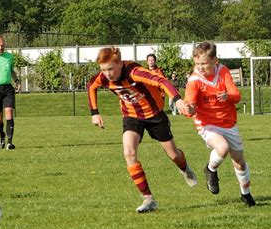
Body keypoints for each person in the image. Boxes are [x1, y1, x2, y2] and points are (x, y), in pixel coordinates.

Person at [88, 47, 197, 213]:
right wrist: (94, 113)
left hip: (154, 115)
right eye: (103, 69)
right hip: (131, 116)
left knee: (173, 154)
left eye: (110, 69)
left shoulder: (134, 72)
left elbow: (162, 81)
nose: (107, 74)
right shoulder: (103, 78)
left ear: (119, 63)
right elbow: (91, 86)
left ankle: (184, 167)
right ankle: (148, 199)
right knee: (129, 153)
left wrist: (177, 100)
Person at [184, 41, 256, 207]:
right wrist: (190, 109)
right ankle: (210, 169)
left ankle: (246, 194)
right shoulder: (194, 80)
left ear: (215, 60)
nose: (200, 67)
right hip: (207, 123)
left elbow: (236, 95)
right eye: (197, 64)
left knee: (239, 161)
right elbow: (189, 104)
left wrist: (227, 96)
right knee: (222, 148)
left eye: (204, 63)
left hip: (228, 122)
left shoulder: (223, 71)